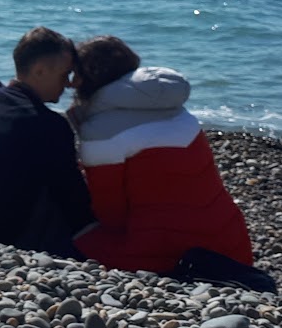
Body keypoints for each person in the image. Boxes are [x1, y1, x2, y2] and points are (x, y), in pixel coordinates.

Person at [67, 35, 254, 274]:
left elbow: (111, 214)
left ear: (88, 78)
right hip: (232, 244)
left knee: (71, 238)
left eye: (74, 75)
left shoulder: (100, 132)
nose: (70, 84)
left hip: (168, 254)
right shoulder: (174, 108)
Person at [0, 27, 94, 257]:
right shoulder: (47, 124)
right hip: (7, 236)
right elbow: (71, 197)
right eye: (65, 74)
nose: (67, 84)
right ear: (39, 71)